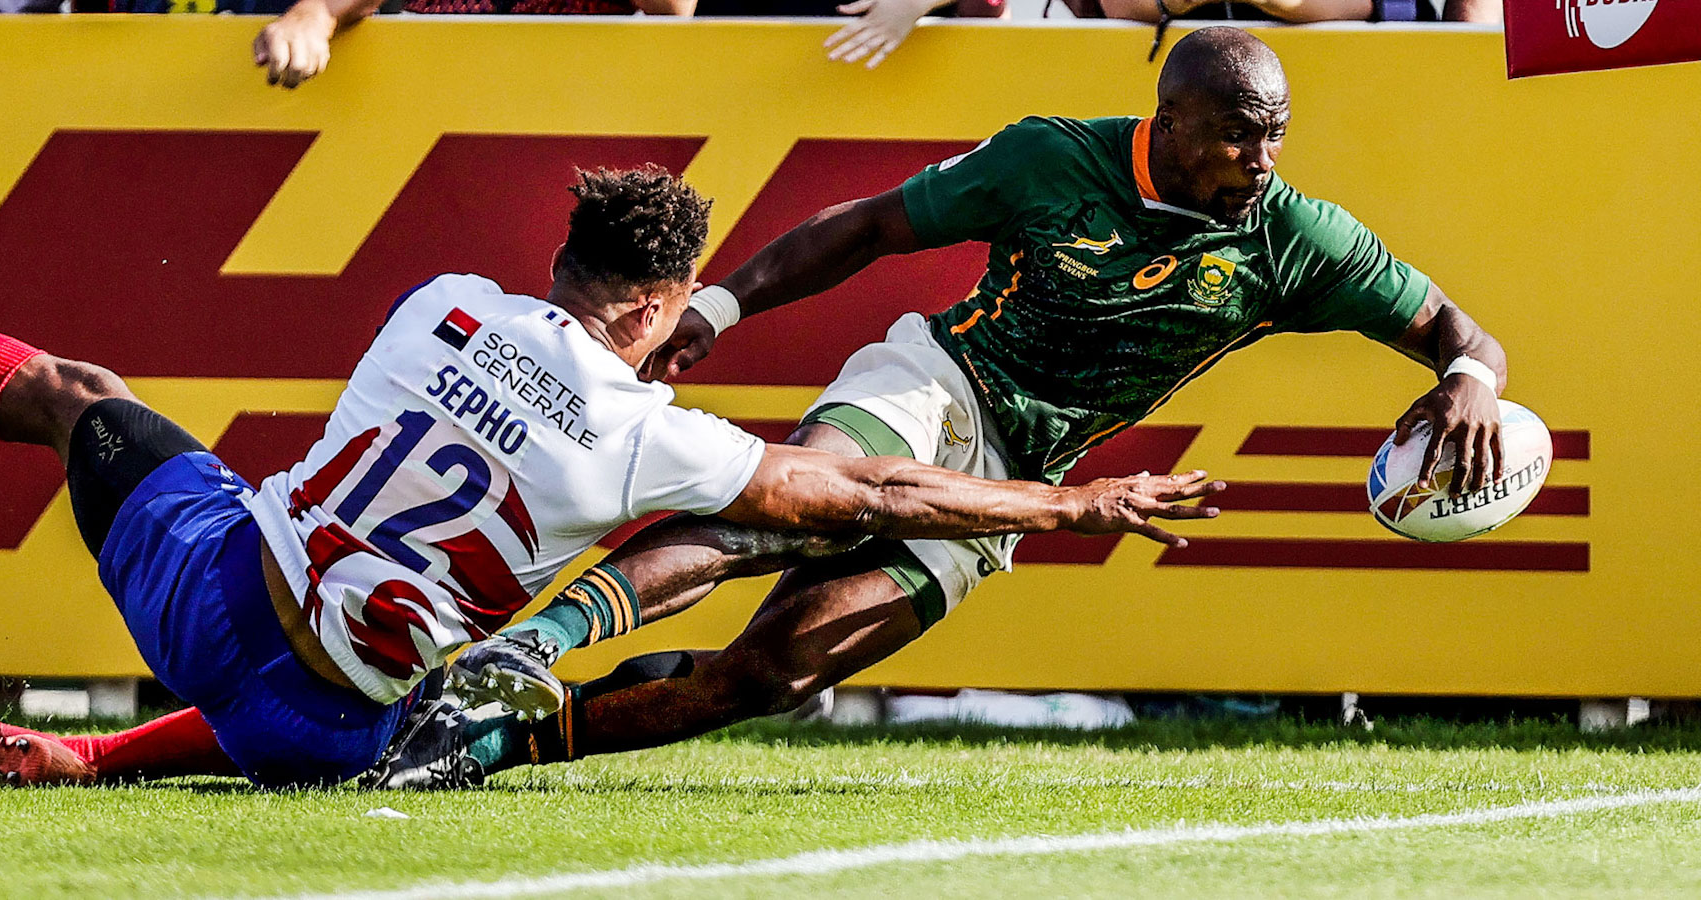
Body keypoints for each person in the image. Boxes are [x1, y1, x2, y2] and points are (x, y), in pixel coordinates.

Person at [364, 25, 1508, 787]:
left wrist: (1469, 383)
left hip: (1027, 469)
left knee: (776, 671)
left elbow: (1466, 333)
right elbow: (864, 226)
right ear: (1168, 120)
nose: (1260, 158)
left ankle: (491, 744)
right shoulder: (1051, 160)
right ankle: (521, 652)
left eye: (1276, 135)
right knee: (780, 512)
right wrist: (719, 306)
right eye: (1237, 132)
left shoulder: (1296, 239)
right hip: (936, 381)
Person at [0, 165, 1224, 788]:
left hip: (207, 597)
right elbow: (879, 497)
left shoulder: (442, 306)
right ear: (657, 308)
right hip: (324, 733)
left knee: (72, 397)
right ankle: (87, 759)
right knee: (552, 664)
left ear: (561, 267)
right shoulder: (654, 433)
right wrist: (1067, 500)